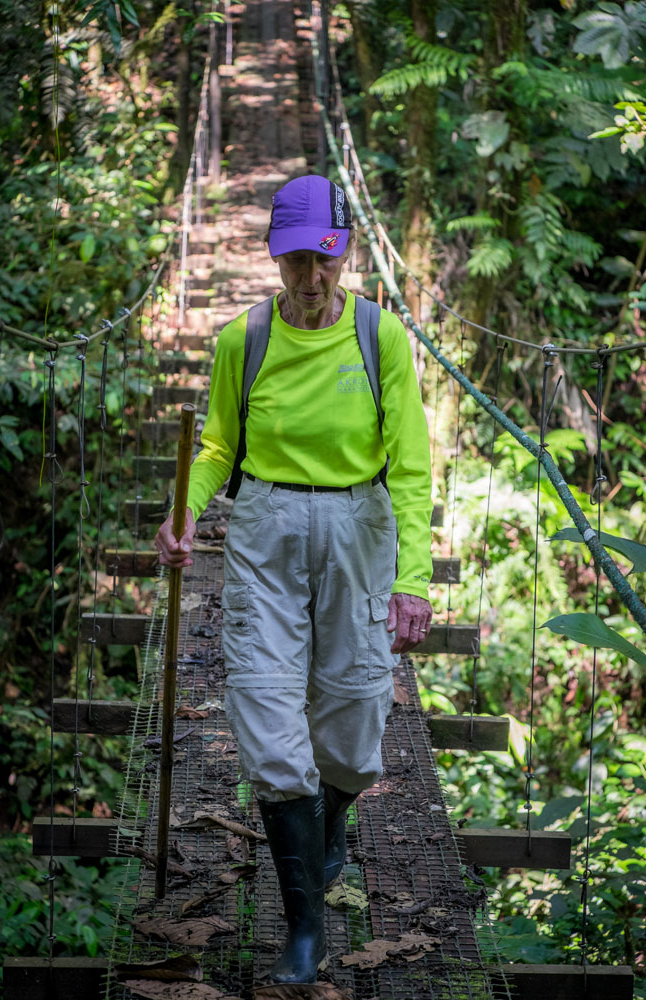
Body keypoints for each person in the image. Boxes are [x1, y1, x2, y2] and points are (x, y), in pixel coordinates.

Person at [156, 174, 433, 984]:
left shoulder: (379, 337)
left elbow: (410, 468)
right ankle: (303, 923)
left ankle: (328, 819)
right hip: (266, 528)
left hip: (359, 526)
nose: (310, 278)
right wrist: (184, 510)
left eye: (323, 257)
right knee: (267, 710)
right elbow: (215, 450)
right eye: (293, 261)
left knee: (353, 728)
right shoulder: (244, 340)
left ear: (344, 249)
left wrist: (412, 577)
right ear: (274, 259)